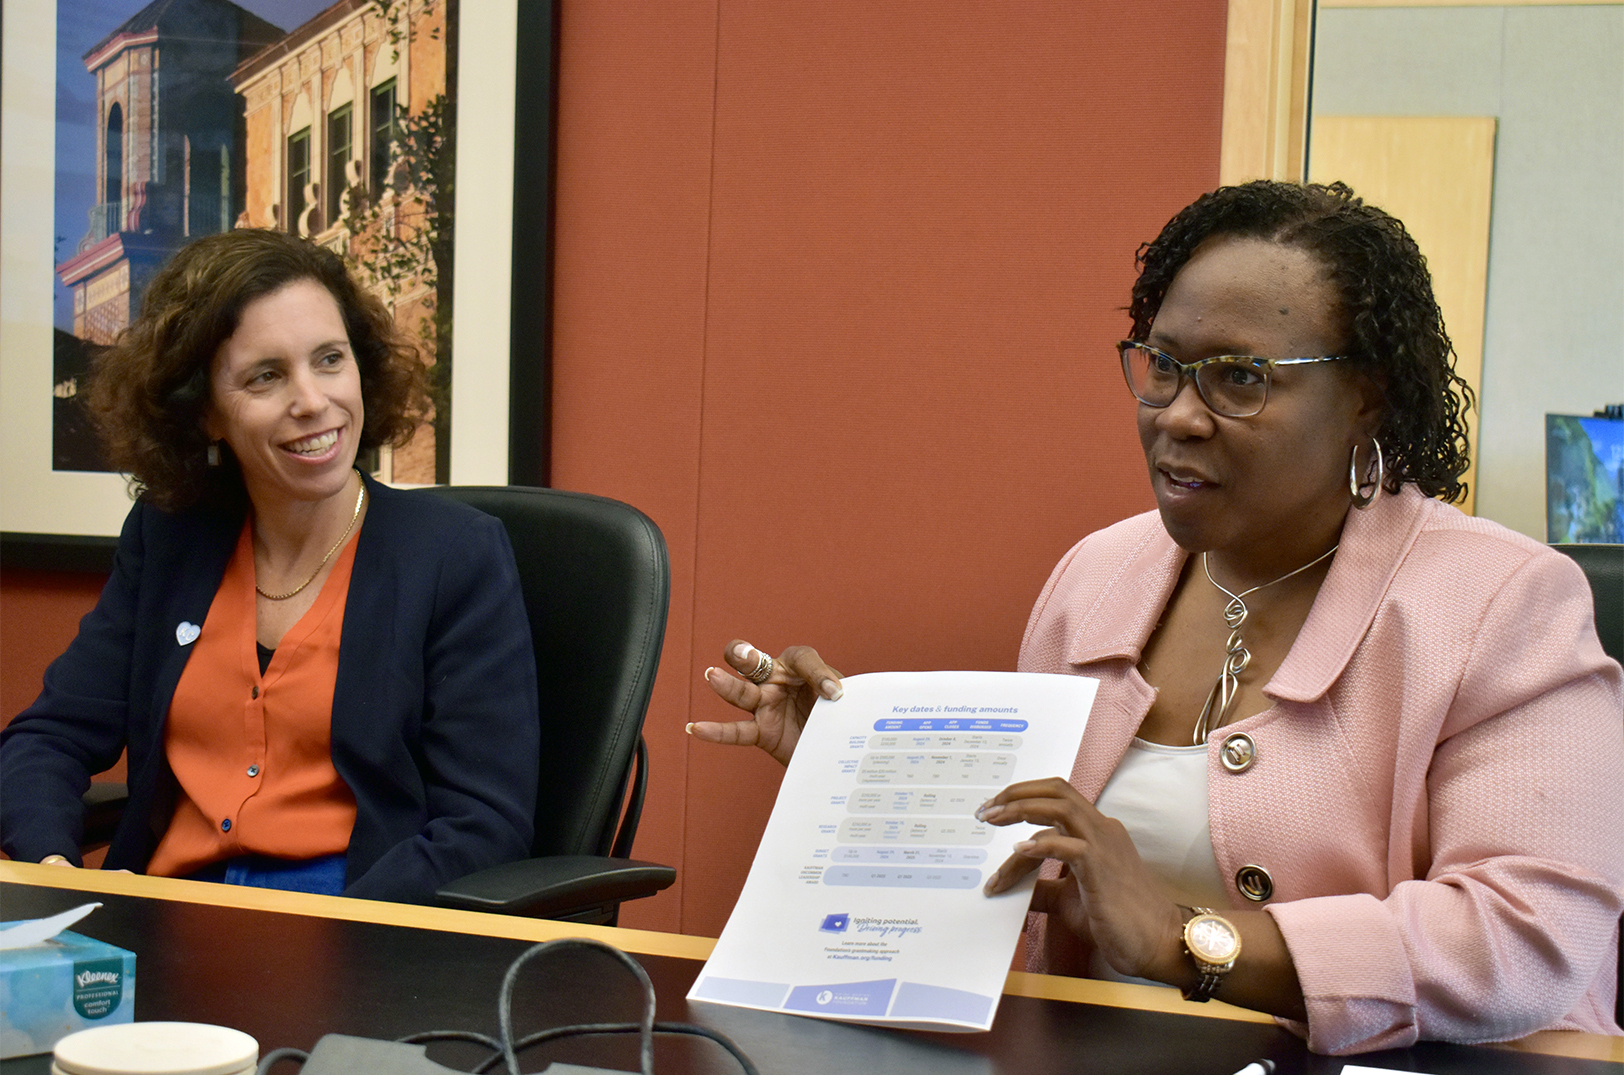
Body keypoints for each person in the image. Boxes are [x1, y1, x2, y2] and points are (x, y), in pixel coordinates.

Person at [690, 181, 1624, 1053]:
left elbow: (1527, 933)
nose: (1178, 414)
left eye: (1240, 377)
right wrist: (863, 768)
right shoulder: (1097, 575)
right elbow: (1031, 865)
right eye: (1165, 366)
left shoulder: (1503, 604)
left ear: (1366, 394)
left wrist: (1188, 940)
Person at [0, 229, 540, 904]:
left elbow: (484, 823)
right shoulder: (170, 540)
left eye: (329, 360)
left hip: (359, 929)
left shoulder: (453, 556)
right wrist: (55, 870)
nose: (312, 400)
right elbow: (45, 738)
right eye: (266, 376)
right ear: (205, 414)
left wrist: (338, 929)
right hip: (163, 919)